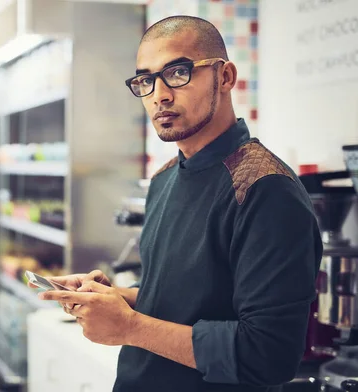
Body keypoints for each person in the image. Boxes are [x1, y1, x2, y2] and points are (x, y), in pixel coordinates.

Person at [33, 15, 323, 392]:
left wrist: (130, 327)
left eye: (178, 72)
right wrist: (118, 299)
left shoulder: (265, 189)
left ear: (225, 77)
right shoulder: (165, 178)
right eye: (146, 80)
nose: (159, 94)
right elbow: (189, 297)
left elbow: (269, 355)